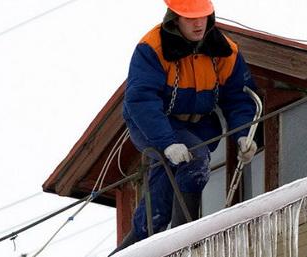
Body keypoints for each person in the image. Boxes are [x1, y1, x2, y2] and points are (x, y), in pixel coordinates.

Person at [110, 0, 258, 254]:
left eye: (203, 16)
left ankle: (133, 249)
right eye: (191, 18)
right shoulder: (152, 48)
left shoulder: (225, 51)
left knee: (156, 214)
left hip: (199, 126)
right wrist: (167, 142)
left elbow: (239, 98)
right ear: (174, 17)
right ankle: (184, 240)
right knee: (194, 158)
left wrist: (244, 135)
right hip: (154, 123)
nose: (199, 23)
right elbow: (141, 100)